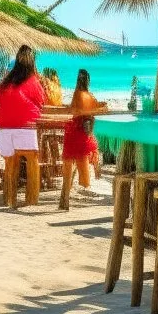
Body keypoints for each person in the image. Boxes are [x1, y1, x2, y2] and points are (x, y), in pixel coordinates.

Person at [0, 46, 46, 204]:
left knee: (11, 163)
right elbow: (42, 102)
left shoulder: (5, 82)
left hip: (3, 133)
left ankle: (9, 199)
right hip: (25, 130)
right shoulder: (33, 81)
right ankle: (31, 200)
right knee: (32, 161)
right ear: (32, 63)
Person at [59, 69, 108, 209]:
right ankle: (90, 178)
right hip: (83, 137)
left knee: (72, 157)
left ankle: (69, 193)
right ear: (88, 81)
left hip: (73, 136)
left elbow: (74, 110)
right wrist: (102, 106)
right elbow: (95, 107)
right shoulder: (88, 96)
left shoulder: (77, 95)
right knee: (92, 146)